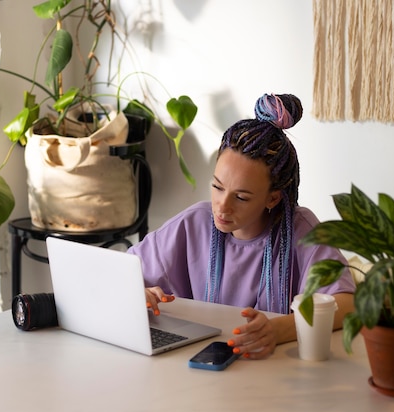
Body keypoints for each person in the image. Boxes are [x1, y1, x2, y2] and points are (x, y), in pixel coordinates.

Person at [128, 93, 355, 360]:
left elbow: (347, 304)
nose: (222, 206)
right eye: (217, 187)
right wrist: (137, 292)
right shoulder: (194, 223)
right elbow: (119, 273)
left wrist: (278, 329)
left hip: (276, 370)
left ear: (273, 198)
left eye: (242, 197)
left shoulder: (301, 231)